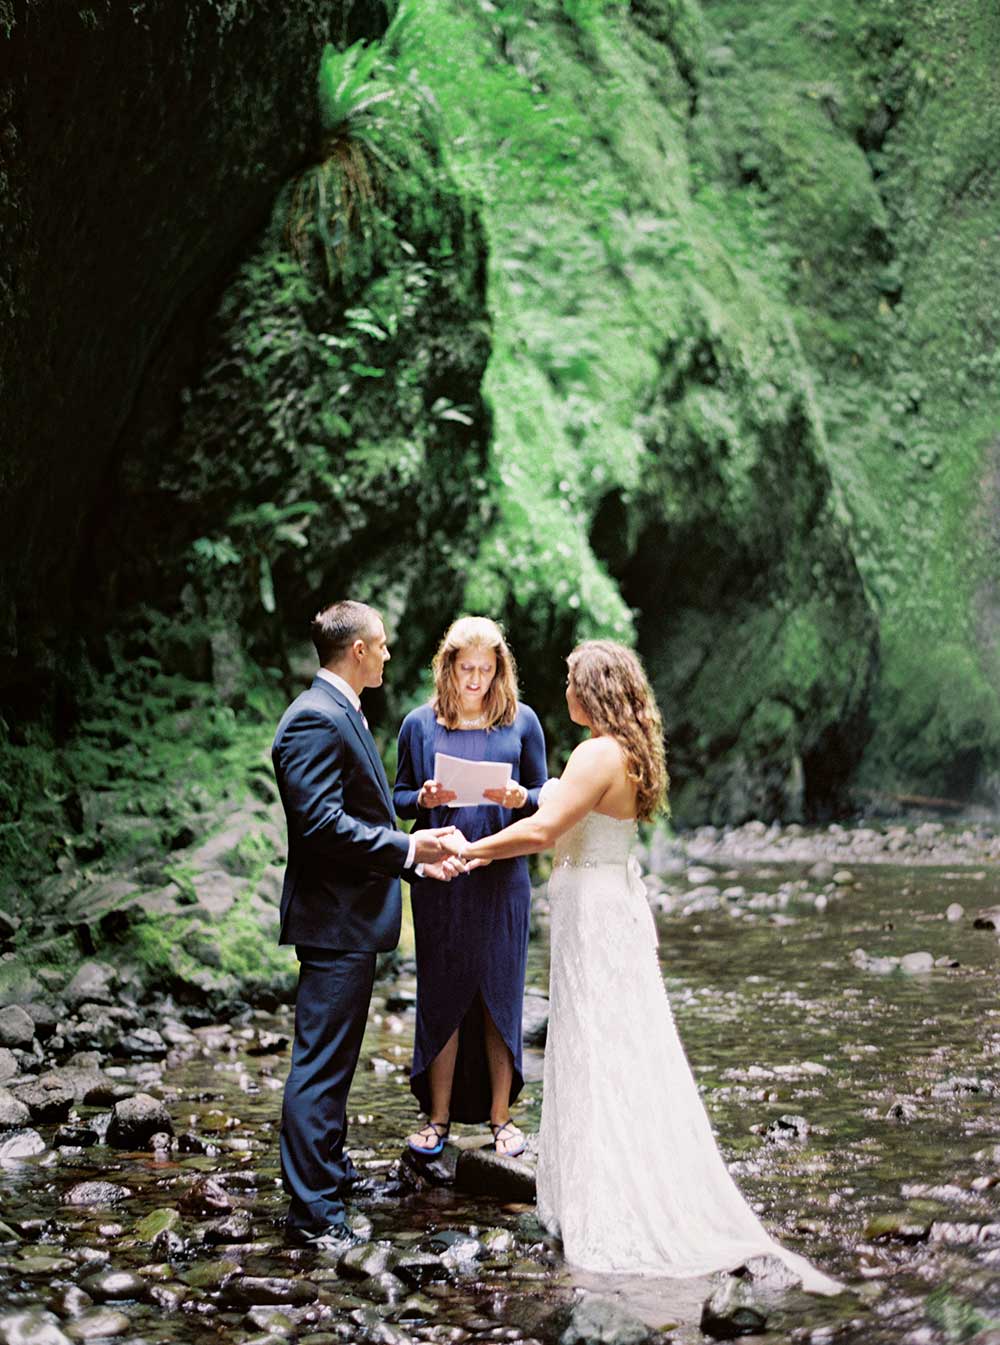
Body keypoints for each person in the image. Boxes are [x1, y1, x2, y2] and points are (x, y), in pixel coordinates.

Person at [457, 640, 843, 1293]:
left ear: (594, 690)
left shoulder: (595, 751)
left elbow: (544, 834)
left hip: (591, 911)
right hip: (613, 904)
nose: (567, 689)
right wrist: (528, 791)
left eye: (573, 680)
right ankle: (619, 1172)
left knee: (593, 1045)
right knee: (617, 1042)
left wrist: (471, 850)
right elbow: (577, 807)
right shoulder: (627, 750)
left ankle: (604, 1195)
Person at [272, 599, 466, 1249]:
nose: (387, 653)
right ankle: (313, 1213)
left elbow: (359, 815)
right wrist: (409, 849)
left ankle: (328, 1173)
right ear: (356, 650)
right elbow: (321, 825)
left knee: (337, 1059)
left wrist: (415, 863)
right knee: (320, 1065)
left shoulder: (341, 711)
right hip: (333, 920)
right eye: (380, 644)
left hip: (349, 917)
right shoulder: (313, 719)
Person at [394, 616, 548, 1158]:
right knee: (441, 994)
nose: (476, 680)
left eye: (486, 670)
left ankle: (501, 1119)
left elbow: (542, 797)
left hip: (503, 877)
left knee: (499, 995)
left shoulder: (523, 722)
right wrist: (424, 800)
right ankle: (436, 1120)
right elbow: (396, 799)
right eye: (467, 670)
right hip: (441, 878)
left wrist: (519, 799)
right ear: (448, 668)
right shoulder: (418, 724)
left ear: (500, 669)